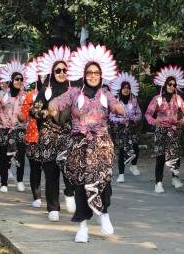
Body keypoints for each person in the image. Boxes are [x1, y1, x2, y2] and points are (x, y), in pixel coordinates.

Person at [49, 43, 124, 243]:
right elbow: (57, 102)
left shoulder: (105, 93)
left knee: (102, 182)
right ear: (84, 74)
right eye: (89, 72)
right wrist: (53, 107)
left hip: (101, 145)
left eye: (96, 72)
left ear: (101, 75)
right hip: (79, 146)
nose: (92, 75)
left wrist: (118, 109)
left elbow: (117, 106)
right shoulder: (74, 92)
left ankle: (104, 214)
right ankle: (82, 227)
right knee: (81, 186)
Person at [30, 46, 76, 221]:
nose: (62, 73)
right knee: (51, 173)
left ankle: (69, 191)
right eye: (58, 70)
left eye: (65, 70)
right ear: (53, 72)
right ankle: (53, 207)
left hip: (68, 136)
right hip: (48, 136)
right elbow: (33, 112)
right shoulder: (45, 90)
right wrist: (46, 113)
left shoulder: (74, 90)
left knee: (69, 170)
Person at [145, 65, 184, 193]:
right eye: (169, 84)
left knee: (176, 155)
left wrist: (182, 121)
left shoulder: (178, 99)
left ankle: (175, 178)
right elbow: (147, 113)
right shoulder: (157, 99)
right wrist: (154, 121)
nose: (172, 86)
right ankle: (158, 183)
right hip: (161, 131)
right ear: (164, 85)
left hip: (174, 130)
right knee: (160, 156)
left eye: (174, 85)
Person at [0, 60, 28, 193]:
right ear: (11, 80)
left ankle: (19, 181)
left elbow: (27, 113)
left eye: (21, 79)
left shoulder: (24, 96)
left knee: (21, 157)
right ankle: (4, 182)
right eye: (16, 79)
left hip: (19, 130)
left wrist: (24, 116)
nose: (19, 81)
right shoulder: (3, 94)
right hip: (4, 129)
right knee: (4, 156)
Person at [109, 72, 142, 183]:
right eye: (124, 88)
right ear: (120, 89)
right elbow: (111, 116)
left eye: (128, 88)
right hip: (121, 130)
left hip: (132, 129)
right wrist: (120, 120)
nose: (126, 89)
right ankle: (121, 174)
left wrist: (135, 118)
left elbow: (139, 114)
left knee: (136, 146)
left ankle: (133, 165)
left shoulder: (134, 101)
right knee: (122, 150)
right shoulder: (116, 102)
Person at [20, 59, 43, 208]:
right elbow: (22, 116)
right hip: (33, 136)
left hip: (52, 138)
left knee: (51, 169)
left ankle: (62, 195)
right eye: (41, 74)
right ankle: (37, 196)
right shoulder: (30, 95)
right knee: (35, 167)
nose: (44, 76)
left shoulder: (58, 93)